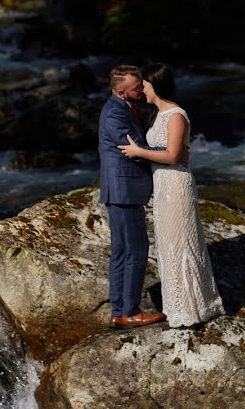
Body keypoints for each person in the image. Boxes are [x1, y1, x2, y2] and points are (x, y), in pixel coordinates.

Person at [118, 64, 225, 328]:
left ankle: (192, 307)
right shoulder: (157, 115)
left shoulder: (176, 115)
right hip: (162, 185)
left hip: (176, 185)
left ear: (156, 86)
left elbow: (173, 156)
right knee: (168, 244)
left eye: (145, 85)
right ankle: (176, 306)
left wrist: (139, 152)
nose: (142, 90)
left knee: (182, 242)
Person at [98, 65, 167, 330]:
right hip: (123, 190)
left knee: (122, 251)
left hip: (121, 189)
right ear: (120, 91)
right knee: (136, 250)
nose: (141, 89)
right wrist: (170, 151)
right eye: (136, 87)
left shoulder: (122, 107)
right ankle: (130, 311)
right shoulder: (114, 112)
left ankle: (119, 311)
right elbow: (133, 147)